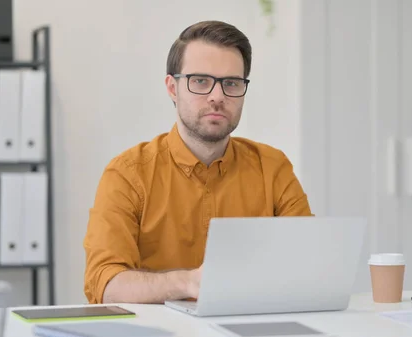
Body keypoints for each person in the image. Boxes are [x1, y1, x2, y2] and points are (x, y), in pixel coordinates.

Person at [83, 20, 312, 305]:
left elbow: (308, 267)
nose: (217, 96)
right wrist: (187, 282)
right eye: (201, 81)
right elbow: (105, 284)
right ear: (172, 88)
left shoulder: (273, 168)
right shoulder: (128, 174)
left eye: (231, 83)